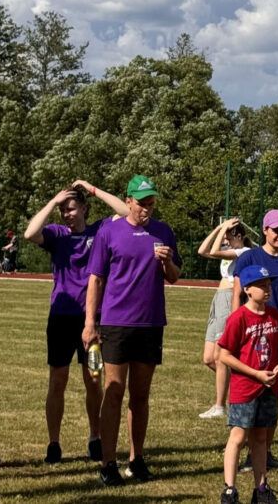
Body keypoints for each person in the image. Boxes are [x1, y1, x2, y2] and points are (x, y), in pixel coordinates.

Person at [83, 175, 181, 486]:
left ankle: (136, 460)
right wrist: (89, 323)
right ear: (128, 202)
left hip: (150, 324)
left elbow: (174, 276)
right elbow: (96, 279)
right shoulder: (109, 231)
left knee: (140, 396)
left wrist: (167, 263)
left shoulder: (163, 232)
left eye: (151, 203)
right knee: (114, 391)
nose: (146, 209)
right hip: (116, 323)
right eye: (141, 203)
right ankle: (108, 463)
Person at [24, 181, 129, 464]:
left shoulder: (100, 231)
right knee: (57, 381)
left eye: (70, 209)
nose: (66, 215)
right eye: (63, 211)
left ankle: (95, 438)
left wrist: (91, 189)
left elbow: (125, 211)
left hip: (92, 321)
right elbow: (30, 233)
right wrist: (53, 201)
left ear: (83, 208)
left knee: (93, 380)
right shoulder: (57, 234)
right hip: (61, 319)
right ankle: (53, 443)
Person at [231, 210, 278, 470]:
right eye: (276, 230)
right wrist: (235, 329)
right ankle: (245, 449)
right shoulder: (249, 258)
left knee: (273, 395)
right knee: (249, 394)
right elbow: (237, 295)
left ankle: (264, 452)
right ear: (264, 230)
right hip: (251, 337)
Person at [218, 265, 278, 504]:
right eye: (261, 285)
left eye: (268, 285)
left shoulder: (275, 316)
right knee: (238, 437)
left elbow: (276, 348)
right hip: (245, 388)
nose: (267, 289)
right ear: (247, 289)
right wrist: (255, 374)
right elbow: (224, 355)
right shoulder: (238, 318)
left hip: (268, 388)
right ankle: (230, 490)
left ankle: (261, 490)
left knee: (260, 438)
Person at [198, 217, 254, 419]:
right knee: (208, 358)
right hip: (219, 299)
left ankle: (220, 405)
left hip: (230, 298)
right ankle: (244, 384)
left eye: (228, 238)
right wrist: (219, 228)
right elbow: (203, 250)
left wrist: (224, 230)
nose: (225, 242)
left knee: (220, 357)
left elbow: (213, 252)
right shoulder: (229, 249)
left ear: (238, 236)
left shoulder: (243, 252)